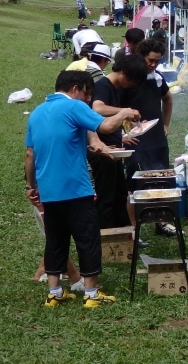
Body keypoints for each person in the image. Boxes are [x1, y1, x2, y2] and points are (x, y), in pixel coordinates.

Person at [24, 70, 139, 307]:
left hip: (49, 190)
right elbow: (106, 126)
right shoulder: (73, 107)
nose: (87, 100)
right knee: (87, 238)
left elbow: (30, 154)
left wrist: (31, 185)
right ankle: (91, 294)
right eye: (86, 94)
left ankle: (54, 293)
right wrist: (124, 112)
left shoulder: (36, 113)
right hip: (76, 188)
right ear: (75, 88)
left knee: (55, 241)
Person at [122, 39, 175, 236]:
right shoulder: (128, 81)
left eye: (157, 61)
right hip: (135, 139)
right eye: (150, 60)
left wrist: (166, 124)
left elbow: (168, 99)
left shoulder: (158, 78)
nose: (153, 65)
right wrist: (123, 133)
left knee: (160, 178)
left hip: (157, 139)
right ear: (140, 57)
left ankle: (161, 222)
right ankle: (134, 229)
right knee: (134, 183)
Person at [92, 55, 147, 228]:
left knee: (120, 195)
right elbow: (98, 108)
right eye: (131, 79)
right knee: (107, 197)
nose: (131, 84)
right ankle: (107, 237)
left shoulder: (115, 88)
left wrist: (123, 133)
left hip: (114, 150)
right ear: (122, 71)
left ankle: (124, 234)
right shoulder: (103, 85)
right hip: (102, 151)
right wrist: (125, 111)